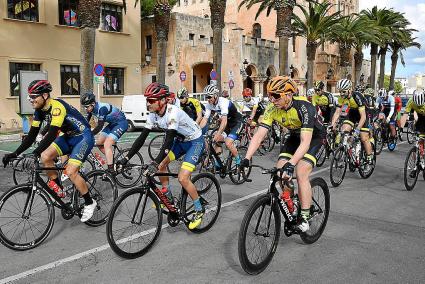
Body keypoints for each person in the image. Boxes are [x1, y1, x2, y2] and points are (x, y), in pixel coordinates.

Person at [2, 80, 96, 222]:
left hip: (83, 137)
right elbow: (32, 135)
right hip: (69, 136)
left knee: (71, 172)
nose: (31, 100)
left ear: (45, 95)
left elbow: (52, 134)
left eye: (34, 97)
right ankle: (59, 189)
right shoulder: (39, 111)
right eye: (30, 97)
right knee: (45, 156)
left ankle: (90, 202)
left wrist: (34, 153)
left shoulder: (57, 107)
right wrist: (15, 153)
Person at [240, 76, 325, 232]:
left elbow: (305, 142)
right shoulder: (272, 109)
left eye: (276, 95)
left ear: (288, 94)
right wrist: (246, 158)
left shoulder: (304, 107)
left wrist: (292, 164)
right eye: (270, 95)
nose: (272, 99)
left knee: (300, 172)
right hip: (294, 136)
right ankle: (292, 204)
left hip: (314, 137)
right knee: (280, 172)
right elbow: (259, 136)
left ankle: (305, 217)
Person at [116, 82, 205, 229]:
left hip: (194, 142)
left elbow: (169, 141)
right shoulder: (153, 114)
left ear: (162, 101)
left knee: (183, 177)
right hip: (181, 141)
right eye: (147, 100)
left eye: (151, 100)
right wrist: (125, 158)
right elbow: (141, 138)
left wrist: (155, 163)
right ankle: (167, 193)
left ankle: (199, 207)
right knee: (161, 165)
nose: (148, 103)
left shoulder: (173, 112)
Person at [80, 92, 128, 173]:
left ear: (93, 103)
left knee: (107, 144)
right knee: (99, 143)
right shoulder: (90, 109)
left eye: (87, 107)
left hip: (121, 123)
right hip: (113, 124)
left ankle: (111, 170)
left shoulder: (102, 109)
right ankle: (113, 160)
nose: (86, 109)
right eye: (84, 107)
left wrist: (90, 134)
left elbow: (99, 126)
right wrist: (80, 131)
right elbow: (86, 122)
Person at [331, 78, 374, 164]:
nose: (341, 94)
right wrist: (332, 125)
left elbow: (363, 116)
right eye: (340, 91)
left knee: (363, 137)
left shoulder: (357, 96)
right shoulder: (341, 98)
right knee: (344, 129)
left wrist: (357, 130)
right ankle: (349, 149)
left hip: (364, 114)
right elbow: (337, 112)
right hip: (352, 113)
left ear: (350, 89)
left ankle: (369, 156)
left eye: (344, 91)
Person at [200, 84, 243, 166]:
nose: (208, 99)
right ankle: (220, 161)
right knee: (217, 140)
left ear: (215, 96)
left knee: (228, 142)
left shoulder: (223, 102)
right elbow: (205, 119)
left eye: (209, 97)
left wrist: (219, 133)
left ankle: (239, 160)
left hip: (236, 122)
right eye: (206, 97)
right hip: (227, 124)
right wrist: (198, 130)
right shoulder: (209, 105)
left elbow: (224, 121)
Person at [400, 90, 425, 173]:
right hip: (421, 118)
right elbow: (405, 115)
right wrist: (401, 128)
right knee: (418, 143)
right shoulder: (411, 101)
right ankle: (417, 164)